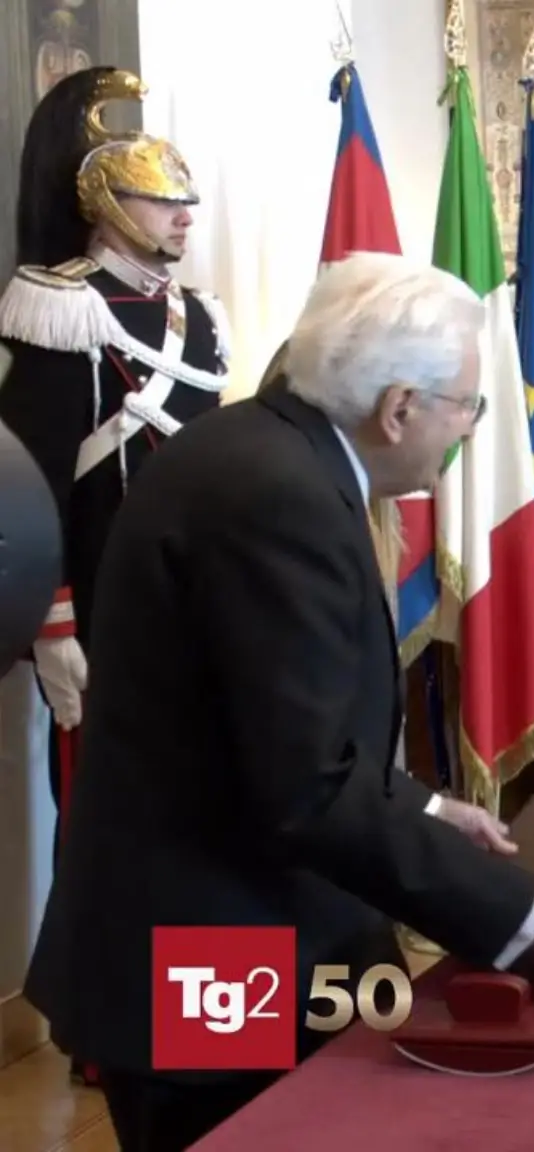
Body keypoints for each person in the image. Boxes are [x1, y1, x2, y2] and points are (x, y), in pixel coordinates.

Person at [24, 252, 534, 1152]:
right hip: (208, 952)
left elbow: (275, 724)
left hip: (235, 929)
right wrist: (530, 913)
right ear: (399, 408)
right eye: (468, 407)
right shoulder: (278, 495)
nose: (468, 429)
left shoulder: (264, 452)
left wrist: (427, 809)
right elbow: (303, 789)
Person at [0, 66, 228, 1089]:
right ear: (105, 202)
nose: (183, 218)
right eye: (162, 201)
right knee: (113, 833)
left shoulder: (200, 319)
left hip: (197, 615)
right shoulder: (61, 310)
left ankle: (214, 1031)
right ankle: (118, 1039)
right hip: (100, 617)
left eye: (186, 202)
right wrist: (53, 627)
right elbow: (31, 486)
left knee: (206, 830)